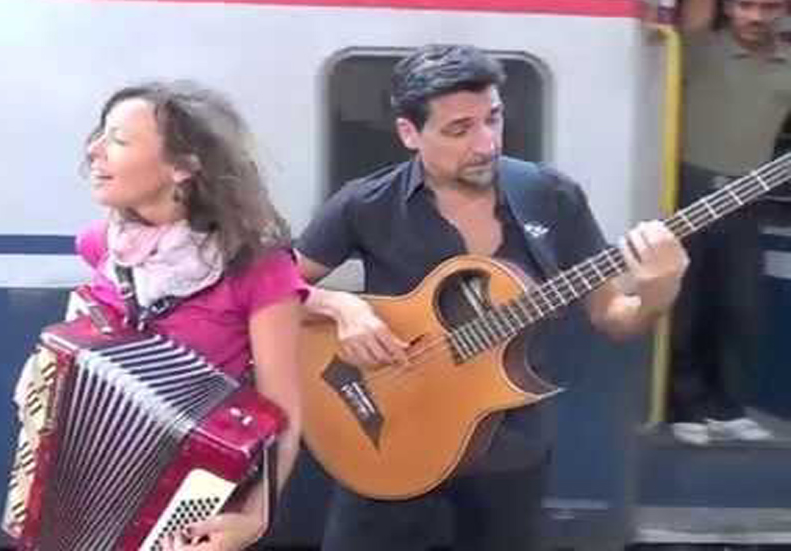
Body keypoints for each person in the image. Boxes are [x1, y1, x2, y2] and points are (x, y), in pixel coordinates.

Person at [294, 44, 690, 551]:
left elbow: (614, 316)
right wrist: (340, 306)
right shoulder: (366, 203)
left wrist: (657, 293)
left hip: (507, 461)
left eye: (493, 119)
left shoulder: (550, 197)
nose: (486, 143)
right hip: (385, 444)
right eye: (459, 129)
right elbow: (272, 285)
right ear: (410, 133)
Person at [16, 81, 305, 551]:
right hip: (81, 491)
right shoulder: (100, 245)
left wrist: (255, 519)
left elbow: (283, 415)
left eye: (118, 140)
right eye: (100, 135)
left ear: (182, 167)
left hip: (183, 498)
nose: (93, 150)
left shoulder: (259, 269)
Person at [670, 0, 791, 445]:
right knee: (689, 304)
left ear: (783, 11)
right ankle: (685, 411)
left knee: (741, 307)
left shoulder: (787, 66)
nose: (756, 16)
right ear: (728, 6)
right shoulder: (703, 47)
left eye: (768, 7)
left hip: (746, 195)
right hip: (690, 187)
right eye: (746, 5)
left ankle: (727, 409)